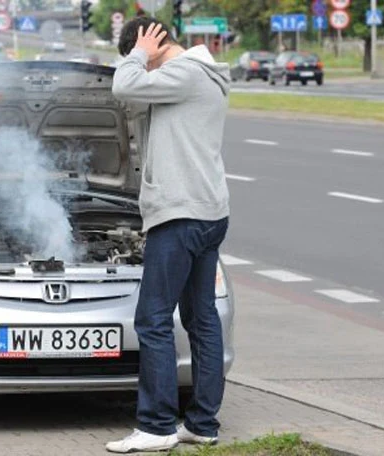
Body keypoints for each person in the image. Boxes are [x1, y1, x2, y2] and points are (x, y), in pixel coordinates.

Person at [105, 17, 231, 454]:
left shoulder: (185, 73)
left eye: (142, 56)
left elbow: (123, 87)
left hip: (180, 214)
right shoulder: (203, 76)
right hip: (208, 211)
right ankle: (202, 424)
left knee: (153, 320)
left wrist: (140, 52)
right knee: (202, 319)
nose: (142, 66)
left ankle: (157, 425)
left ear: (156, 43)